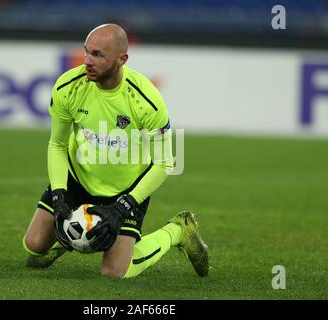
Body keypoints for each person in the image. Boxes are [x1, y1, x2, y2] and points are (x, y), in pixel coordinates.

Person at [23, 24, 209, 278]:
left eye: (98, 55)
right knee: (33, 245)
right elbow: (57, 145)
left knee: (114, 272)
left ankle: (178, 231)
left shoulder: (146, 100)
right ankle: (77, 234)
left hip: (125, 189)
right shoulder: (69, 87)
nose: (87, 61)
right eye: (86, 52)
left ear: (122, 59)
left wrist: (122, 208)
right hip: (79, 177)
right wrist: (59, 196)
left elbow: (165, 163)